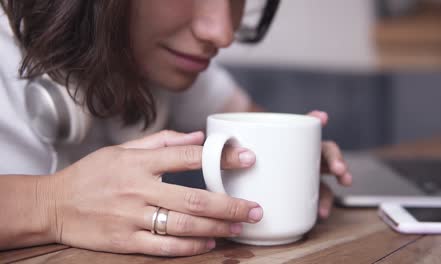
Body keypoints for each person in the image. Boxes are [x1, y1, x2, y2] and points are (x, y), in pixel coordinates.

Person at [0, 0, 352, 257]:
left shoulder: (165, 63)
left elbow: (253, 123)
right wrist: (53, 203)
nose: (223, 33)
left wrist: (294, 163)